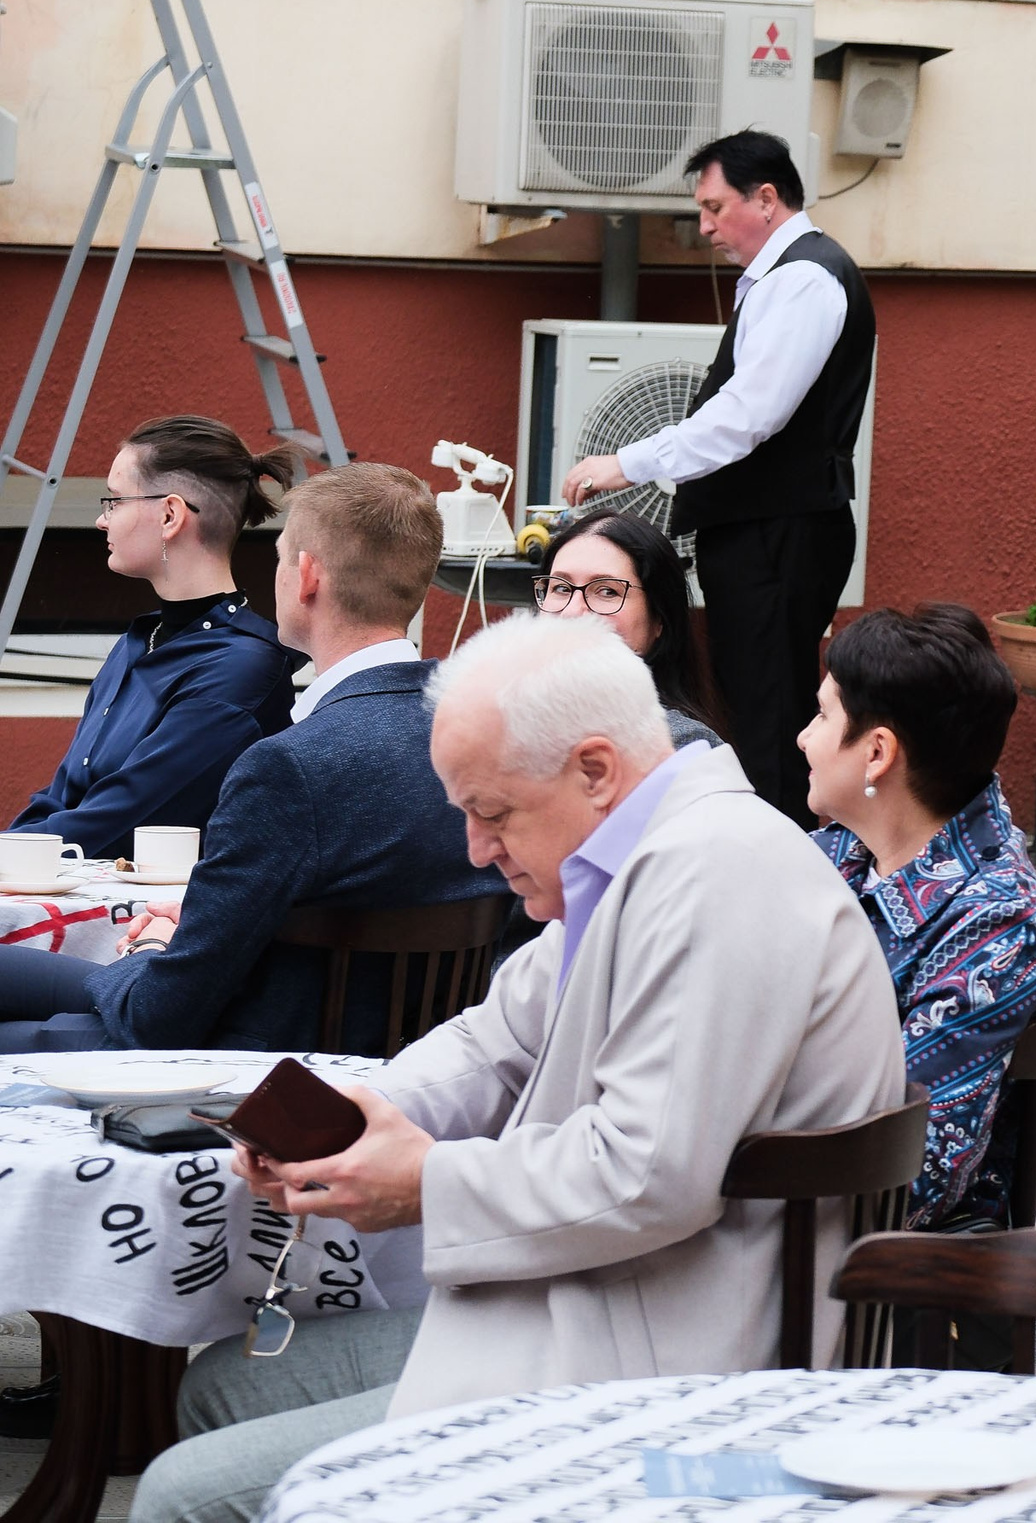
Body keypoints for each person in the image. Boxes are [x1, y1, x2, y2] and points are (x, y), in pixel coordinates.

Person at [128, 614, 906, 1523]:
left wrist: (424, 1184)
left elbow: (645, 1176)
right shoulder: (643, 856)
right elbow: (493, 1042)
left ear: (594, 769)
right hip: (596, 1307)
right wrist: (352, 1116)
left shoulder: (719, 875)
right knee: (224, 1385)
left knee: (181, 1495)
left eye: (490, 813)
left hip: (664, 1384)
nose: (474, 848)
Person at [0, 463, 507, 1053]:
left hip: (244, 1063)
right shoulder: (484, 732)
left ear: (307, 576)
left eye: (280, 557)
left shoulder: (289, 767)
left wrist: (152, 945)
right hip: (413, 1051)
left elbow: (158, 1017)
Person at [557, 128, 874, 825]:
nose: (703, 227)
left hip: (778, 532)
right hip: (766, 530)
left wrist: (627, 462)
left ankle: (779, 880)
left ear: (766, 198)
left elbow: (748, 416)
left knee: (770, 720)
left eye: (713, 206)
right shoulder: (785, 277)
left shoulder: (804, 279)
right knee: (760, 707)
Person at [802, 602, 1036, 1236]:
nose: (804, 737)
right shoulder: (836, 855)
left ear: (877, 753)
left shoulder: (1002, 925)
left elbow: (911, 1174)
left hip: (892, 1286)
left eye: (821, 715)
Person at [13, 416, 300, 859]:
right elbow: (63, 794)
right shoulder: (139, 640)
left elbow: (121, 821)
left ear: (170, 515)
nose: (101, 520)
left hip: (156, 924)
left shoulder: (241, 666)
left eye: (115, 500)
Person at [534, 507, 719, 746]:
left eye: (607, 591)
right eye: (561, 588)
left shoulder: (681, 747)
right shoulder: (494, 718)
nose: (572, 611)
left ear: (659, 620)